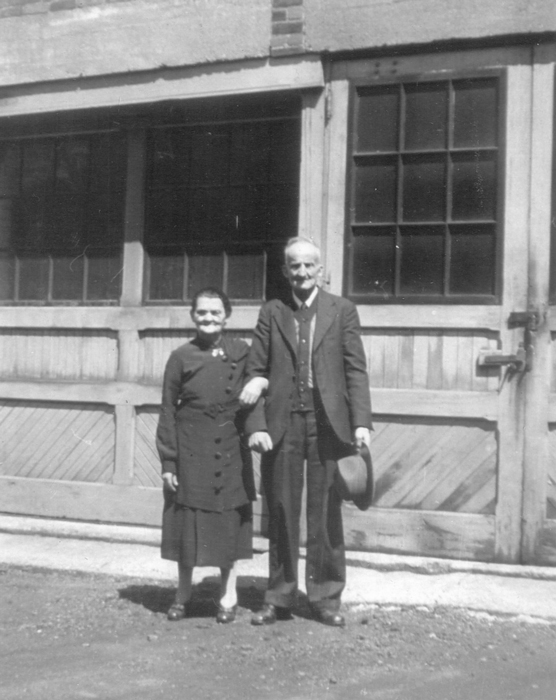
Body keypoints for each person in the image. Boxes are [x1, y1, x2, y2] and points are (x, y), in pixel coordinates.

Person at [240, 237, 372, 627]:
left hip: (328, 425)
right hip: (284, 423)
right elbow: (255, 370)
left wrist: (361, 421)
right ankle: (278, 596)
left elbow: (355, 370)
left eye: (308, 266)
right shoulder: (273, 312)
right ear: (285, 271)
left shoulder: (342, 310)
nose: (301, 272)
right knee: (281, 509)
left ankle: (325, 597)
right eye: (293, 266)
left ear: (320, 269)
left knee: (326, 512)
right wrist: (257, 424)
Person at [156, 287, 266, 624]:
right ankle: (183, 592)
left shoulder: (242, 351)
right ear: (193, 316)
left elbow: (256, 392)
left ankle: (227, 593)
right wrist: (169, 461)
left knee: (226, 524)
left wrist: (258, 425)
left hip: (230, 448)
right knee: (187, 524)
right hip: (191, 450)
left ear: (226, 316)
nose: (208, 318)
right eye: (202, 312)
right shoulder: (180, 356)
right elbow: (167, 411)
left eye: (215, 313)